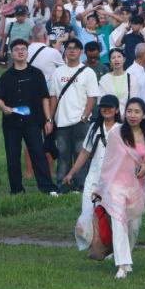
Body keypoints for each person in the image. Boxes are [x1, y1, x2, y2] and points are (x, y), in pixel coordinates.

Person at [99, 98, 145, 279]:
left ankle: (126, 255)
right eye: (129, 111)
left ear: (144, 115)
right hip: (116, 185)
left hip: (137, 186)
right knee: (119, 222)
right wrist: (100, 187)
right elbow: (108, 162)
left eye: (137, 112)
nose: (132, 115)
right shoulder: (117, 133)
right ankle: (122, 266)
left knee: (133, 226)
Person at [0, 39, 56, 195]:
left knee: (38, 154)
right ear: (12, 53)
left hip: (33, 122)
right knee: (12, 157)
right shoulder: (6, 76)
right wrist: (4, 108)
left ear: (27, 52)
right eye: (17, 49)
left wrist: (48, 119)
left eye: (23, 49)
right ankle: (16, 189)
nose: (20, 52)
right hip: (11, 123)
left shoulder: (37, 74)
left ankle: (47, 188)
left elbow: (45, 98)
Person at [64, 94, 121, 251]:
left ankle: (112, 248)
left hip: (113, 182)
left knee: (110, 216)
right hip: (93, 178)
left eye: (110, 107)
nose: (106, 109)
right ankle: (93, 246)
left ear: (116, 110)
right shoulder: (94, 128)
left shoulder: (122, 130)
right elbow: (85, 152)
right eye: (103, 107)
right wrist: (71, 173)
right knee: (87, 214)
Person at [48, 37, 100, 190]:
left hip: (81, 121)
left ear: (81, 52)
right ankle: (62, 185)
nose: (72, 51)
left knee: (81, 154)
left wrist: (85, 116)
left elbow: (92, 97)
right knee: (63, 155)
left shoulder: (88, 72)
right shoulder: (58, 72)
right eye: (69, 48)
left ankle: (80, 186)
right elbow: (53, 97)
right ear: (64, 51)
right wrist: (50, 119)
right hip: (62, 121)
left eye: (75, 48)